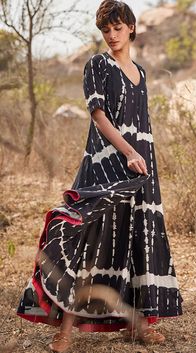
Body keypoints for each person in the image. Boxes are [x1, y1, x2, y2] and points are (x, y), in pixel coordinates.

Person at [17, 1, 183, 352]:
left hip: (139, 166)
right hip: (106, 163)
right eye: (106, 30)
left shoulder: (141, 72)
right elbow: (99, 117)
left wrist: (146, 159)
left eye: (118, 28)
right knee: (92, 240)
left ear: (131, 28)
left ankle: (139, 323)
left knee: (138, 239)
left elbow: (143, 123)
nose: (111, 35)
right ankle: (64, 331)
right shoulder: (97, 65)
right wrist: (129, 152)